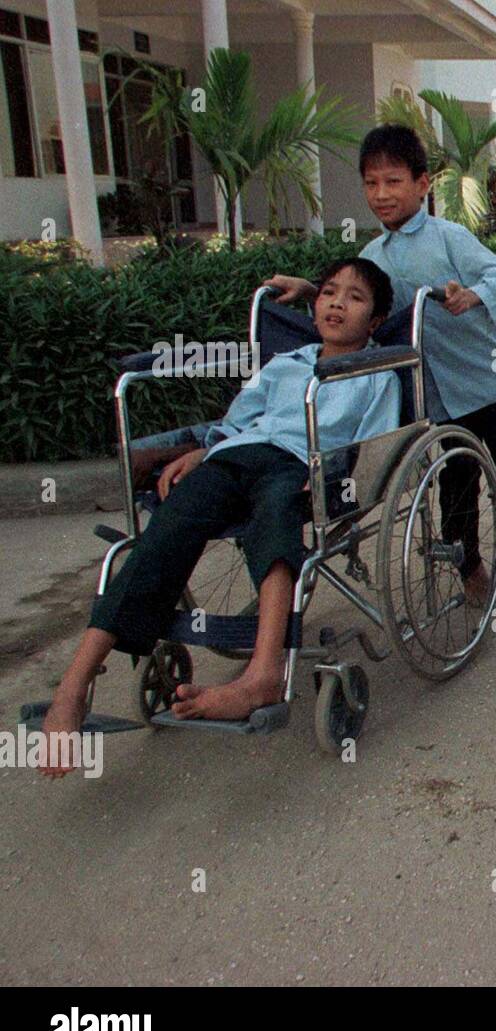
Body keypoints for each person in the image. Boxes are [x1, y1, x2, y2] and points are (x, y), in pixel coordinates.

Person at [37, 259, 401, 776]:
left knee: (274, 518)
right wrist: (203, 452)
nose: (336, 303)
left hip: (301, 466)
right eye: (327, 293)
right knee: (167, 529)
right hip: (239, 456)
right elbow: (236, 422)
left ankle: (263, 673)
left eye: (354, 297)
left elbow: (374, 442)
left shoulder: (378, 372)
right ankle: (74, 685)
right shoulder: (286, 363)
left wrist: (328, 473)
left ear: (376, 318)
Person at [265, 124, 496, 593]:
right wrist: (311, 291)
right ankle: (469, 570)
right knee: (457, 478)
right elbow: (358, 308)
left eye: (393, 181)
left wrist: (474, 294)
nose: (382, 194)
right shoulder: (373, 254)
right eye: (371, 183)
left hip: (490, 380)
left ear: (422, 184)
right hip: (438, 393)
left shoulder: (448, 237)